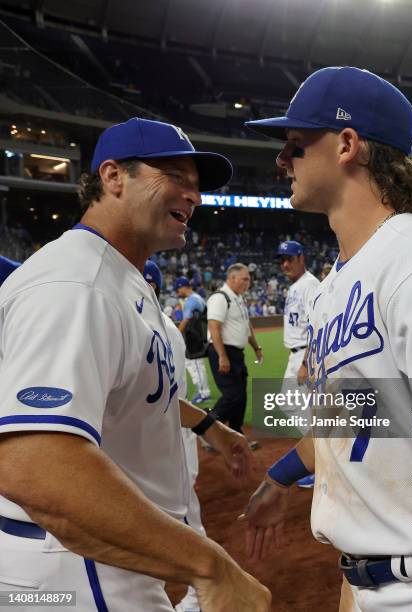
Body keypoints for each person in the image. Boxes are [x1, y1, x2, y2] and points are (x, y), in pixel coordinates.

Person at [240, 67, 412, 611]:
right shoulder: (336, 284)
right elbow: (357, 415)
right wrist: (279, 478)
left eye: (294, 145)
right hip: (365, 581)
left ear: (346, 145)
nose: (281, 160)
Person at [0, 117, 271, 612]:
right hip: (74, 558)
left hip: (100, 553)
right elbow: (34, 463)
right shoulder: (76, 285)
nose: (194, 195)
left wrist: (211, 426)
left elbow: (135, 391)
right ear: (112, 177)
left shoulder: (118, 278)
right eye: (175, 177)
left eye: (197, 186)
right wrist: (209, 566)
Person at [144, 260, 205, 612]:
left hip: (172, 438)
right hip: (163, 438)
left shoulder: (162, 330)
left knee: (181, 516)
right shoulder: (150, 324)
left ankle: (198, 594)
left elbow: (169, 402)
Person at [277, 240, 319, 488]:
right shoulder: (296, 286)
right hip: (297, 354)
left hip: (304, 355)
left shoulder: (310, 285)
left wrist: (306, 362)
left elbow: (317, 324)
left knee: (294, 404)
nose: (285, 264)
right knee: (301, 407)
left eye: (289, 259)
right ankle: (320, 457)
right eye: (282, 260)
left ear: (301, 258)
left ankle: (318, 459)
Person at [207, 263, 262, 443]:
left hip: (237, 353)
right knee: (232, 395)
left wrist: (256, 347)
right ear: (232, 278)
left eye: (249, 279)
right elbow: (214, 327)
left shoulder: (239, 298)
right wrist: (222, 355)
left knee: (241, 395)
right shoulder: (220, 298)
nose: (248, 282)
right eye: (244, 279)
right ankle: (208, 430)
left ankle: (236, 433)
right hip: (223, 351)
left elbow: (247, 327)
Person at [175, 276, 211, 403]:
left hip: (195, 336)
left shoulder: (191, 300)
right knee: (192, 363)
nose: (177, 293)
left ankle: (204, 393)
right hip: (198, 335)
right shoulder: (196, 298)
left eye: (178, 290)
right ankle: (201, 390)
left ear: (183, 287)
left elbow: (185, 320)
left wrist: (176, 334)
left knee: (196, 364)